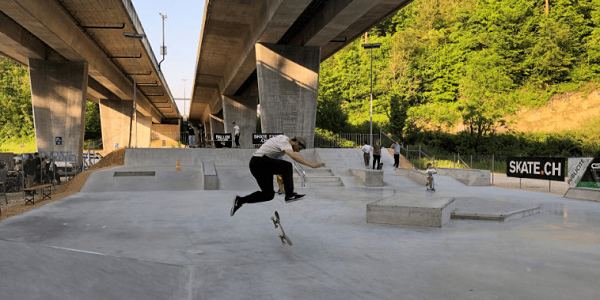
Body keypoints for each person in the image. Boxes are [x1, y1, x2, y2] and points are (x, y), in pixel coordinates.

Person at [230, 135, 325, 216]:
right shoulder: (284, 140)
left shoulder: (283, 143)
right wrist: (312, 165)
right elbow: (294, 156)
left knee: (268, 195)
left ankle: (240, 200)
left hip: (259, 166)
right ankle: (289, 195)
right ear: (296, 142)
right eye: (299, 148)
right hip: (259, 162)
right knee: (287, 166)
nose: (298, 151)